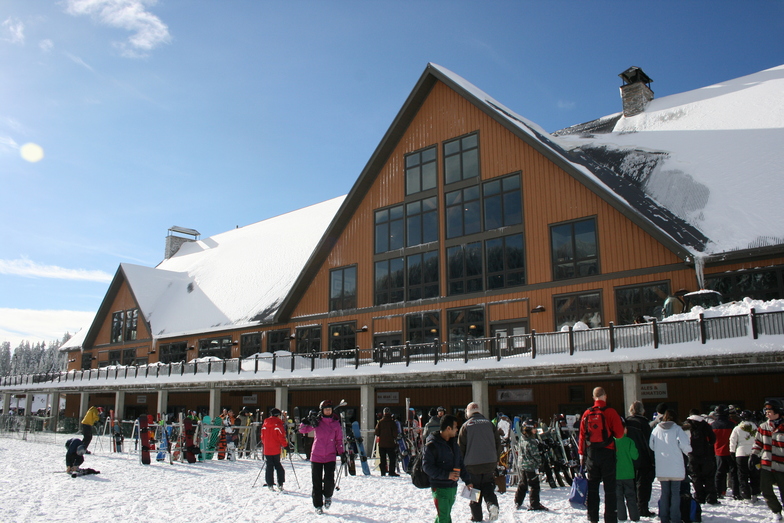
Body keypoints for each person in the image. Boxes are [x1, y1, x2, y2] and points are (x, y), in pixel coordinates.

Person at [578, 387, 625, 523]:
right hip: (607, 452)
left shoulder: (587, 413)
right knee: (610, 489)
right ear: (605, 396)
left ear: (594, 398)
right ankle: (610, 518)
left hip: (592, 454)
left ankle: (592, 517)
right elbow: (620, 434)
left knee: (593, 488)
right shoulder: (610, 412)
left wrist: (581, 454)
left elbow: (581, 436)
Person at [458, 402, 503, 522]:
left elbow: (460, 448)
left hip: (472, 465)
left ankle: (477, 517)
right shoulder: (489, 424)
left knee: (475, 491)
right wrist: (496, 459)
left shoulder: (466, 426)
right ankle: (492, 505)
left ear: (468, 413)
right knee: (488, 487)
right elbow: (498, 444)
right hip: (489, 463)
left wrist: (460, 465)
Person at [423, 414, 472, 523]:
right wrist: (447, 475)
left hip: (452, 487)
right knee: (444, 517)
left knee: (444, 515)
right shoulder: (432, 445)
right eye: (455, 427)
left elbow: (460, 463)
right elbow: (427, 467)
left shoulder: (454, 444)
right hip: (439, 487)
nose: (457, 430)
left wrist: (468, 481)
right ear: (448, 428)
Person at [299, 399, 344, 515]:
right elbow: (302, 430)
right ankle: (318, 505)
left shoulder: (335, 423)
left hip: (330, 456)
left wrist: (342, 453)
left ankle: (328, 496)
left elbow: (339, 440)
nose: (328, 411)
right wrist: (305, 421)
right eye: (326, 410)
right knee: (316, 482)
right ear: (322, 411)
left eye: (329, 409)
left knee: (329, 480)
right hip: (316, 456)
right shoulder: (317, 422)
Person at [649, 410, 692, 523]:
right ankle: (675, 518)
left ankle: (664, 517)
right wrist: (688, 451)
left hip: (662, 466)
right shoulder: (677, 429)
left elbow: (651, 445)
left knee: (664, 492)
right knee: (675, 493)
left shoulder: (656, 430)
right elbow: (685, 446)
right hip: (676, 466)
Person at [750, 399, 784, 522]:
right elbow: (758, 442)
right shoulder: (763, 426)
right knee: (765, 489)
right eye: (766, 411)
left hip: (782, 465)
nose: (766, 413)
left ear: (777, 411)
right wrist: (754, 455)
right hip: (767, 464)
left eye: (769, 411)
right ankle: (776, 511)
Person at [682, 409, 719, 504]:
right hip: (705, 454)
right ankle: (711, 497)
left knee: (695, 476)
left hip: (692, 455)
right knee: (709, 477)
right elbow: (713, 439)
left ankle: (699, 496)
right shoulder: (705, 425)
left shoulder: (686, 425)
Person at [625, 401, 655, 517]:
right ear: (642, 410)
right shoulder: (644, 423)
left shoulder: (627, 422)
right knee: (643, 485)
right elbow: (649, 443)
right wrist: (652, 460)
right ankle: (642, 508)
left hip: (629, 458)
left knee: (631, 485)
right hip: (643, 458)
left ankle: (632, 508)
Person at [514, 422, 548, 511]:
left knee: (523, 484)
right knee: (534, 485)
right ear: (529, 429)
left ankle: (518, 501)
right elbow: (535, 455)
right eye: (534, 428)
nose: (535, 430)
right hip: (530, 467)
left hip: (522, 465)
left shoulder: (522, 438)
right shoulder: (531, 441)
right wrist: (540, 463)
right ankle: (535, 504)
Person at [730, 409, 759, 502]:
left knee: (742, 475)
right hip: (754, 453)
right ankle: (755, 493)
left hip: (741, 453)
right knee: (754, 474)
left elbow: (732, 441)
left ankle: (746, 495)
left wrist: (732, 452)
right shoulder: (756, 428)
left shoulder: (737, 428)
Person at [615, 423, 639, 522]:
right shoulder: (630, 441)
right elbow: (635, 456)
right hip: (629, 474)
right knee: (631, 497)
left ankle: (621, 517)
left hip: (616, 474)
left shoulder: (613, 442)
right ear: (625, 430)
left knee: (618, 497)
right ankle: (634, 516)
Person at [712, 404, 737, 499]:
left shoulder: (713, 425)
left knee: (719, 473)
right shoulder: (732, 424)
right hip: (731, 451)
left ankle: (719, 491)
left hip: (718, 451)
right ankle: (736, 492)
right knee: (733, 473)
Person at [261, 408, 288, 490]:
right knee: (278, 466)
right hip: (275, 448)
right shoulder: (279, 424)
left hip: (267, 448)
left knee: (269, 466)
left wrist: (265, 443)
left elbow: (262, 436)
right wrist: (285, 445)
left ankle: (270, 483)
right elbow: (281, 436)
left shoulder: (265, 423)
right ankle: (280, 483)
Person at [374, 407, 400, 476]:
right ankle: (391, 472)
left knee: (383, 459)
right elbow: (395, 434)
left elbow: (376, 432)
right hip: (390, 444)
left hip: (382, 444)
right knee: (392, 458)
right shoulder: (392, 422)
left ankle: (383, 472)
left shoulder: (380, 422)